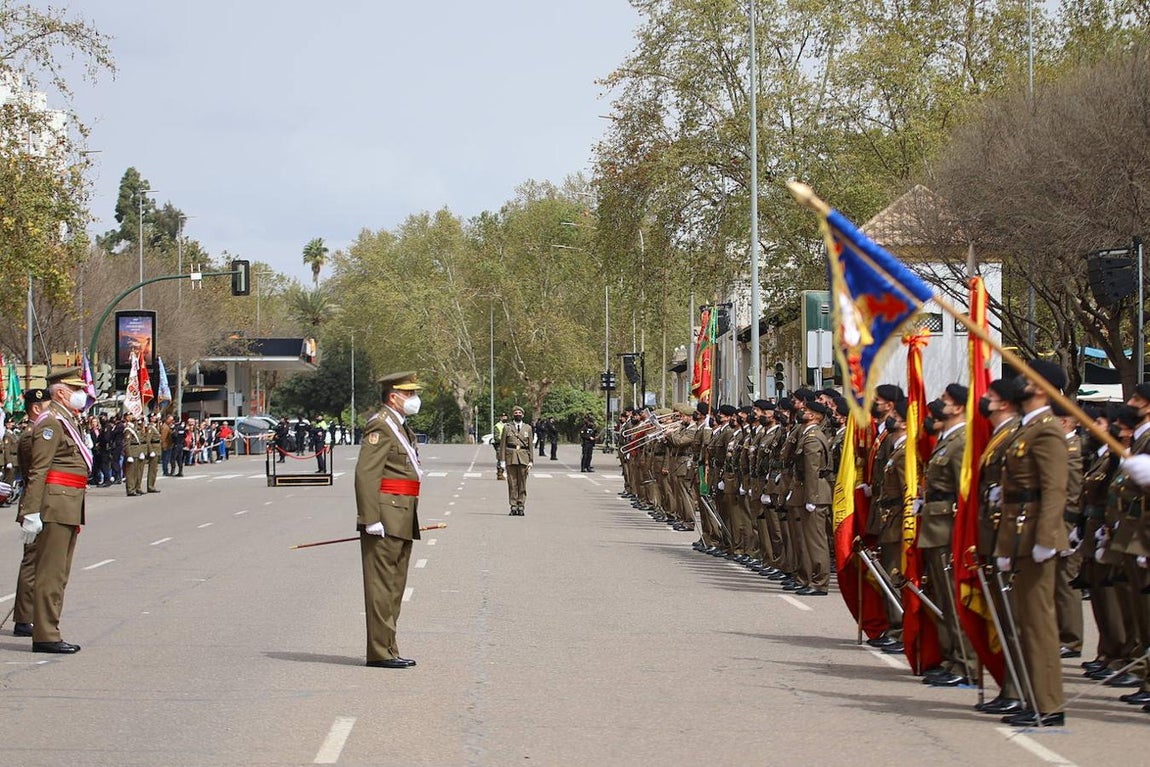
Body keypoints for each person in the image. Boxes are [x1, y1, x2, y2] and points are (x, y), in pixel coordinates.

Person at [993, 362, 1070, 727]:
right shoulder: (1028, 428)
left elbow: (1054, 489)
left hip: (1036, 535)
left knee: (1039, 624)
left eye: (1025, 378)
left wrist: (1044, 539)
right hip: (1018, 534)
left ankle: (1049, 705)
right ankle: (1032, 698)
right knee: (1025, 622)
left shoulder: (1048, 430)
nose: (1018, 383)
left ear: (1041, 387)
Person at [18, 368, 92, 654]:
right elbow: (39, 470)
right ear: (61, 392)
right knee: (50, 573)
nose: (81, 394)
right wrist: (31, 512)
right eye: (76, 389)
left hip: (68, 503)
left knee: (59, 573)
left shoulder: (66, 420)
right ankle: (46, 634)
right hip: (55, 504)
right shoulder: (51, 422)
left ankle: (49, 629)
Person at [354, 371, 424, 668]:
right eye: (408, 394)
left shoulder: (400, 426)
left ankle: (389, 648)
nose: (413, 399)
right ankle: (379, 652)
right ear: (394, 396)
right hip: (384, 517)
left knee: (394, 587)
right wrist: (370, 518)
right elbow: (366, 474)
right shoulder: (381, 426)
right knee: (381, 587)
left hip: (401, 515)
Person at [11, 388, 50, 638]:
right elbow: (37, 471)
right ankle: (23, 618)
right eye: (48, 405)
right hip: (36, 503)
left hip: (43, 501)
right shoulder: (31, 435)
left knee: (38, 562)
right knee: (32, 563)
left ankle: (27, 614)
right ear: (36, 408)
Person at [499, 406, 533, 515]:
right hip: (511, 457)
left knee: (522, 483)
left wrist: (531, 460)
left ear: (523, 415)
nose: (518, 414)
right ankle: (513, 506)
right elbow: (503, 444)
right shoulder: (507, 427)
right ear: (513, 414)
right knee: (512, 483)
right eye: (516, 412)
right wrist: (502, 461)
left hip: (523, 457)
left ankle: (521, 505)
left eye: (519, 413)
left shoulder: (528, 428)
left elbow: (531, 446)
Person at [145, 414, 163, 493]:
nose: (155, 418)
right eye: (153, 417)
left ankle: (152, 485)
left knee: (155, 469)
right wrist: (151, 451)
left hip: (157, 449)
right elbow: (148, 440)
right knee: (152, 469)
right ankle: (150, 486)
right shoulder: (150, 428)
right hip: (154, 449)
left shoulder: (155, 426)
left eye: (155, 417)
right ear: (150, 419)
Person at [493, 413, 508, 480]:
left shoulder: (509, 425)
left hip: (508, 445)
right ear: (500, 418)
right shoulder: (497, 426)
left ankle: (505, 472)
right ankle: (500, 473)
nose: (504, 418)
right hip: (500, 444)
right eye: (503, 417)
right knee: (500, 458)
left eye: (505, 417)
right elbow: (496, 437)